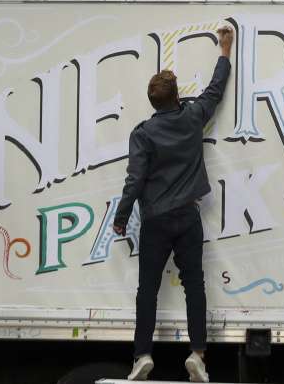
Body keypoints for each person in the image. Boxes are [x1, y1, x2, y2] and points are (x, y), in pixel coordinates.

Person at [113, 25, 234, 382]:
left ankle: (142, 356)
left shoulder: (143, 134)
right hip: (187, 216)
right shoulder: (192, 117)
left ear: (153, 102)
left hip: (155, 219)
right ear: (177, 96)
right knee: (194, 284)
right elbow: (215, 90)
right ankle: (197, 354)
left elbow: (135, 179)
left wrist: (121, 217)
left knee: (147, 290)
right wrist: (225, 51)